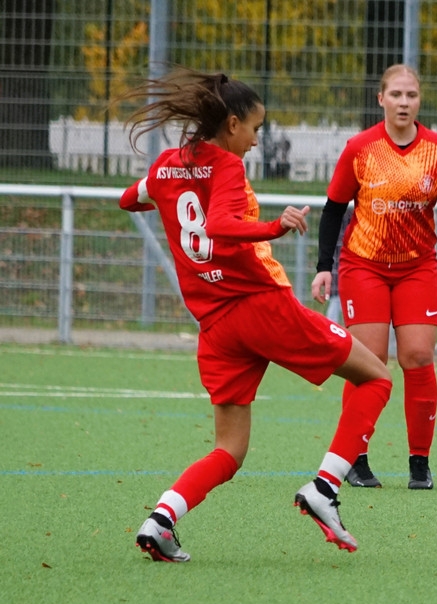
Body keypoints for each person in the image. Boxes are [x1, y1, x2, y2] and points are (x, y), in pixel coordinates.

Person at [118, 68, 392, 562]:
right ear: (231, 124)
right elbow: (221, 224)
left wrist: (163, 191)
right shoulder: (226, 165)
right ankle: (325, 488)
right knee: (376, 377)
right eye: (254, 128)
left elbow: (129, 199)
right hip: (262, 309)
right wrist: (273, 228)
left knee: (229, 450)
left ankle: (161, 519)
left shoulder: (164, 167)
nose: (255, 139)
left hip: (216, 328)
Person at [311, 64, 437, 490]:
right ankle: (355, 458)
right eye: (396, 95)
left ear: (420, 101)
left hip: (417, 267)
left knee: (417, 355)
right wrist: (324, 266)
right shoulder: (360, 148)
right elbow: (333, 209)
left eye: (411, 95)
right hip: (363, 265)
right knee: (369, 359)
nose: (404, 102)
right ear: (380, 99)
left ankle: (419, 463)